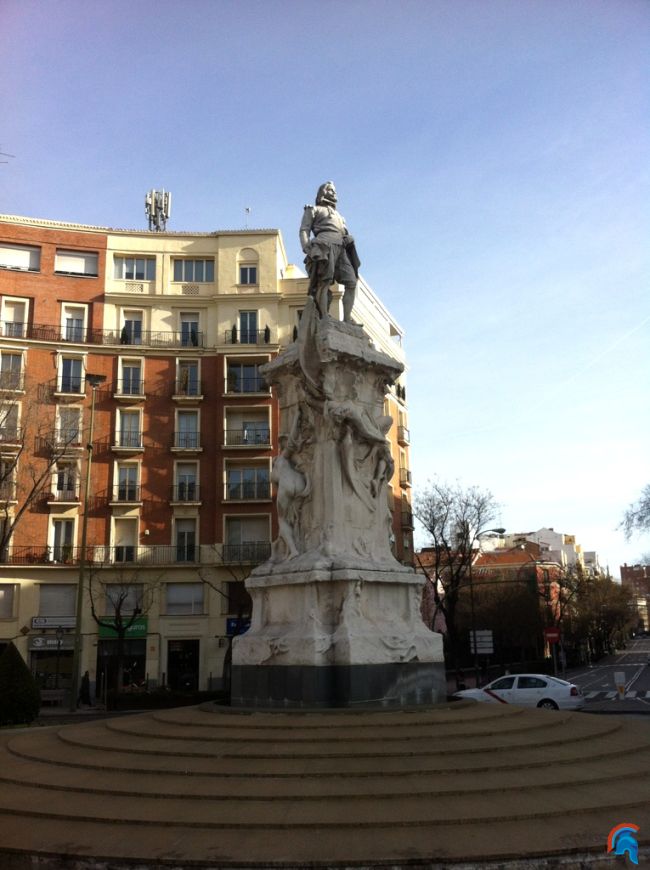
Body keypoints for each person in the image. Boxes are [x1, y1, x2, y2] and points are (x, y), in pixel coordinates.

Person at [299, 182, 360, 322]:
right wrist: (307, 248)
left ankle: (347, 318)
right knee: (324, 282)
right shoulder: (313, 209)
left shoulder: (340, 216)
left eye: (334, 190)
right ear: (323, 192)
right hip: (324, 245)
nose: (334, 193)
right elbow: (304, 230)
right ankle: (324, 316)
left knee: (351, 282)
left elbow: (344, 232)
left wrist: (348, 238)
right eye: (331, 190)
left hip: (341, 248)